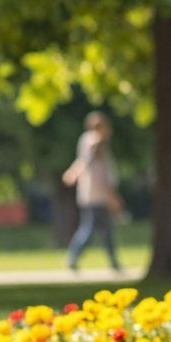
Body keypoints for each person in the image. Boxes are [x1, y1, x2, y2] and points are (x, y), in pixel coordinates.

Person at [62, 111, 123, 272]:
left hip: (90, 194)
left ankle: (113, 262)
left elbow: (82, 162)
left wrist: (73, 173)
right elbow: (100, 174)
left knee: (102, 230)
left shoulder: (86, 141)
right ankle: (74, 257)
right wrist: (113, 196)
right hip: (98, 195)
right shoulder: (96, 143)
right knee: (92, 229)